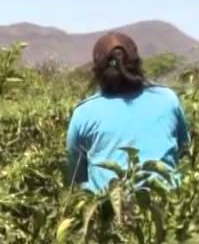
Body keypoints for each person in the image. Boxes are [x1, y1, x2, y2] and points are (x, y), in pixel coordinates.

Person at [66, 32, 190, 194]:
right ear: (137, 65)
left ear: (97, 71)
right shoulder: (167, 99)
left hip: (108, 211)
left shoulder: (84, 113)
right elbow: (183, 148)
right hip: (166, 207)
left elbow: (75, 173)